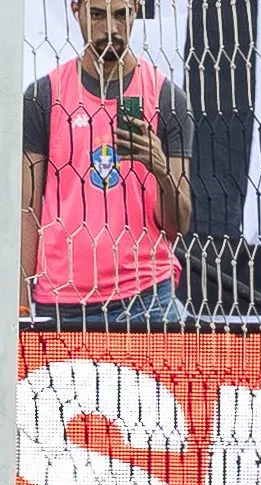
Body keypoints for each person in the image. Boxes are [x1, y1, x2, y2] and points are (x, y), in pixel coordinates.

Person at [22, 0, 192, 327]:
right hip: (61, 300)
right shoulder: (44, 96)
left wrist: (159, 167)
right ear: (76, 9)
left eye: (120, 14)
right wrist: (20, 307)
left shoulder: (166, 99)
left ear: (136, 9)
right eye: (98, 14)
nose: (111, 29)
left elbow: (176, 226)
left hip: (145, 297)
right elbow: (26, 212)